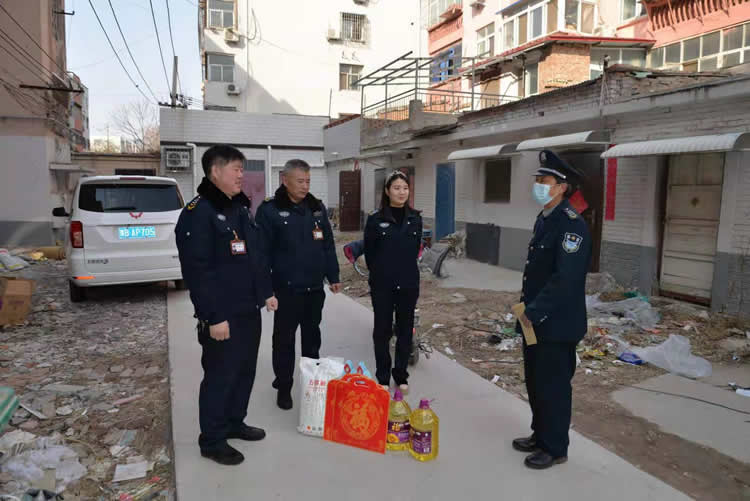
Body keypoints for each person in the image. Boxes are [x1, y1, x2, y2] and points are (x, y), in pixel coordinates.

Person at [175, 145, 278, 466]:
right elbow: (198, 271)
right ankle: (212, 439)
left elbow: (255, 255)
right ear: (215, 171)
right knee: (220, 375)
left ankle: (235, 421)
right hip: (222, 315)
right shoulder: (198, 213)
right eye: (236, 169)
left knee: (245, 370)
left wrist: (266, 292)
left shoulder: (238, 207)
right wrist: (214, 316)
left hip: (248, 309)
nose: (241, 175)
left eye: (242, 169)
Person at [513, 149, 592, 470]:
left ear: (561, 187)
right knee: (535, 380)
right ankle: (540, 434)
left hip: (556, 324)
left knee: (554, 387)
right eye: (538, 180)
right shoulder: (544, 218)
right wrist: (527, 311)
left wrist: (534, 311)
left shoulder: (572, 225)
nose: (539, 186)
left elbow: (565, 279)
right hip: (534, 320)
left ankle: (555, 447)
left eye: (544, 181)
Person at [256, 159, 341, 410]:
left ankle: (311, 384)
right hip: (286, 290)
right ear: (285, 180)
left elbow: (327, 245)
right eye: (300, 181)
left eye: (308, 181)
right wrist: (266, 291)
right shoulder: (270, 210)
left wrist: (333, 276)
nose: (305, 186)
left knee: (312, 339)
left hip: (314, 289)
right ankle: (284, 386)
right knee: (284, 341)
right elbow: (261, 255)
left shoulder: (316, 208)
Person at [364, 171, 422, 393]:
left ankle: (401, 374)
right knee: (382, 330)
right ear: (387, 191)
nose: (401, 192)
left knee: (405, 330)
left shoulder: (415, 218)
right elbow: (370, 254)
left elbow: (415, 250)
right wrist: (381, 272)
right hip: (383, 284)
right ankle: (382, 377)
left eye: (405, 188)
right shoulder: (375, 219)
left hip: (408, 283)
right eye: (397, 188)